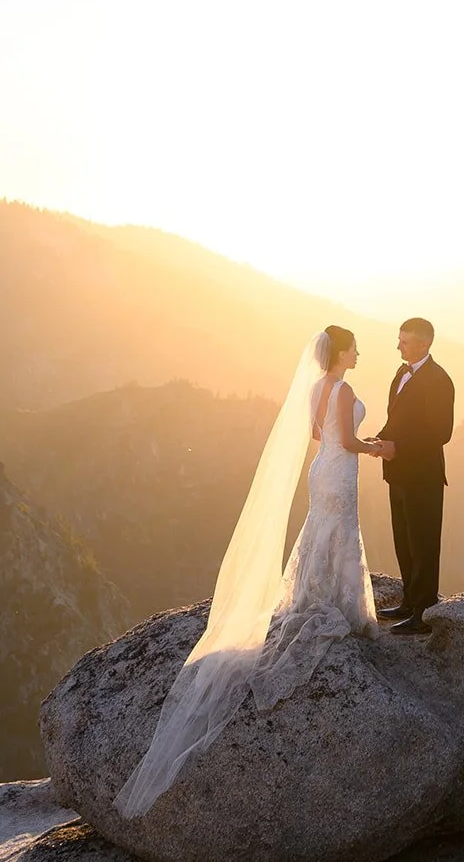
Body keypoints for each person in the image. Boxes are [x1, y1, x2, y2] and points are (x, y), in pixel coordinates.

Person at [114, 326, 381, 819]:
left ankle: (314, 591)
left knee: (321, 530)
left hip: (321, 468)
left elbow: (319, 436)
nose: (359, 353)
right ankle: (339, 601)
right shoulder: (342, 390)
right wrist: (377, 448)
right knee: (340, 531)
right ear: (341, 352)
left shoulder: (315, 388)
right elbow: (346, 439)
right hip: (340, 469)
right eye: (354, 348)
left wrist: (345, 446)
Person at [372, 317, 455, 636]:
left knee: (424, 545)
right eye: (399, 340)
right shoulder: (400, 374)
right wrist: (381, 439)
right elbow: (396, 419)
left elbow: (441, 433)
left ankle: (423, 612)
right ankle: (408, 602)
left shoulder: (439, 380)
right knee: (404, 541)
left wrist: (399, 447)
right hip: (397, 473)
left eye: (404, 342)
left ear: (424, 344)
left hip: (423, 476)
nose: (398, 347)